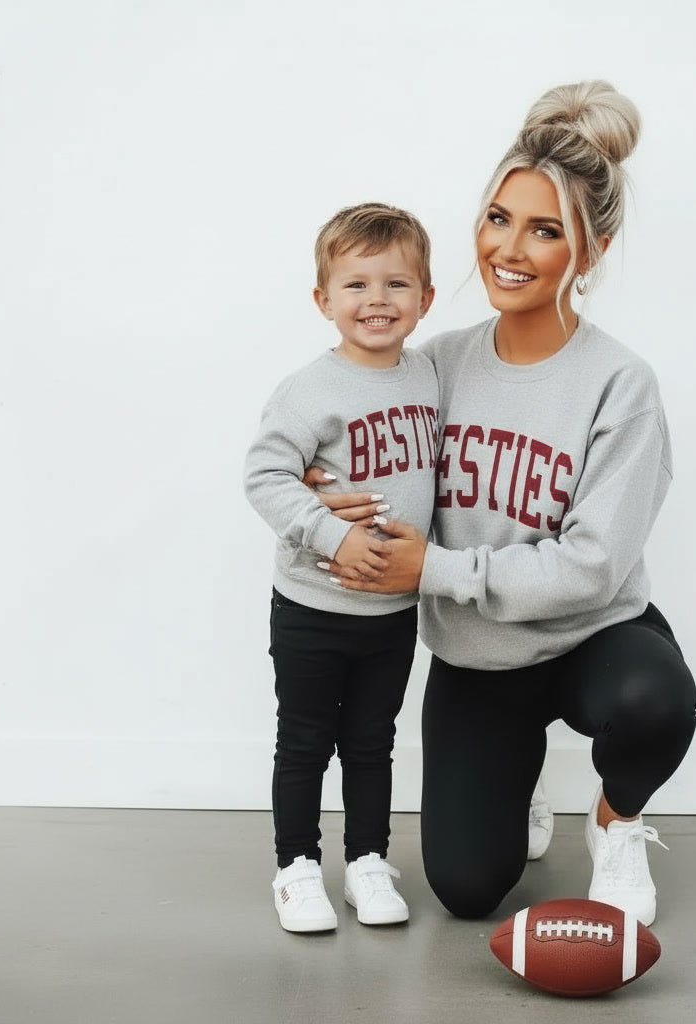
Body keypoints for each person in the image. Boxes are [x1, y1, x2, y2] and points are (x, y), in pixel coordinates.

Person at [309, 81, 696, 927]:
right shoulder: (435, 363)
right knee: (466, 888)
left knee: (654, 703)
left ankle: (617, 823)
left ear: (587, 254)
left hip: (592, 635)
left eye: (545, 229)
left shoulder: (619, 384)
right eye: (498, 218)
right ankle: (521, 786)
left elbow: (594, 565)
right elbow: (355, 431)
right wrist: (319, 483)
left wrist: (437, 567)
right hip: (482, 658)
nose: (509, 248)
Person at [243, 203, 438, 932]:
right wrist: (329, 532)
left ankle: (366, 862)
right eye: (356, 285)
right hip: (311, 609)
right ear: (324, 300)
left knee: (371, 741)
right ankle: (296, 867)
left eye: (396, 284)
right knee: (304, 740)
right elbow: (266, 477)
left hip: (390, 613)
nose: (377, 301)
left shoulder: (428, 378)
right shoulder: (309, 391)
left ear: (423, 296)